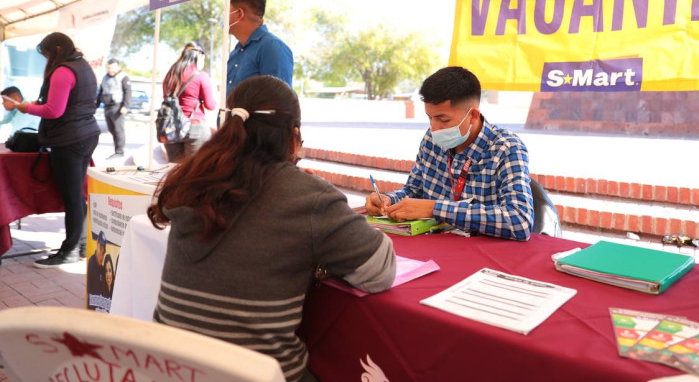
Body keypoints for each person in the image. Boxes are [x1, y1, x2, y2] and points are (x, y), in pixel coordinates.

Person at [148, 75, 395, 382]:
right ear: (293, 135)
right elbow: (381, 271)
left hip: (169, 368)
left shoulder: (195, 179)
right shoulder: (308, 195)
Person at [365, 66, 535, 241]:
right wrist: (388, 200)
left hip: (484, 254)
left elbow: (520, 221)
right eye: (429, 117)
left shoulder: (506, 149)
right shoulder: (432, 141)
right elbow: (414, 190)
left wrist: (435, 208)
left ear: (473, 115)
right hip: (436, 245)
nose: (434, 128)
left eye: (443, 119)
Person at [15, 32, 101, 267]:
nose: (46, 60)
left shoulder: (63, 71)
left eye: (47, 55)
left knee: (72, 197)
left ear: (58, 49)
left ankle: (70, 250)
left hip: (70, 139)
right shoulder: (82, 65)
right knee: (76, 196)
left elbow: (54, 111)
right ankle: (82, 246)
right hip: (85, 134)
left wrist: (27, 108)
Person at [226, 0, 293, 92]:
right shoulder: (236, 51)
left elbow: (279, 100)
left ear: (239, 14)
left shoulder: (272, 47)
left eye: (226, 11)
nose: (223, 17)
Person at [162, 42, 217, 162]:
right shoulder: (201, 76)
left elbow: (166, 98)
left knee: (174, 169)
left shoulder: (169, 76)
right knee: (194, 170)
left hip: (171, 126)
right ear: (199, 57)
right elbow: (210, 105)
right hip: (195, 126)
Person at [96, 58, 131, 160]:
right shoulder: (104, 78)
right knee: (111, 129)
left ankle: (119, 151)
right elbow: (101, 92)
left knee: (118, 130)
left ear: (118, 67)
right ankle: (117, 149)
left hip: (118, 107)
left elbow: (128, 92)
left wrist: (125, 106)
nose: (110, 70)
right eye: (109, 68)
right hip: (107, 106)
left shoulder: (123, 77)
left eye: (112, 68)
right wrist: (96, 105)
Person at [86, 231, 107, 300]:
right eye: (100, 248)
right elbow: (89, 287)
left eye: (103, 252)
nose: (101, 255)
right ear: (97, 243)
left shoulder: (102, 268)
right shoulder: (92, 261)